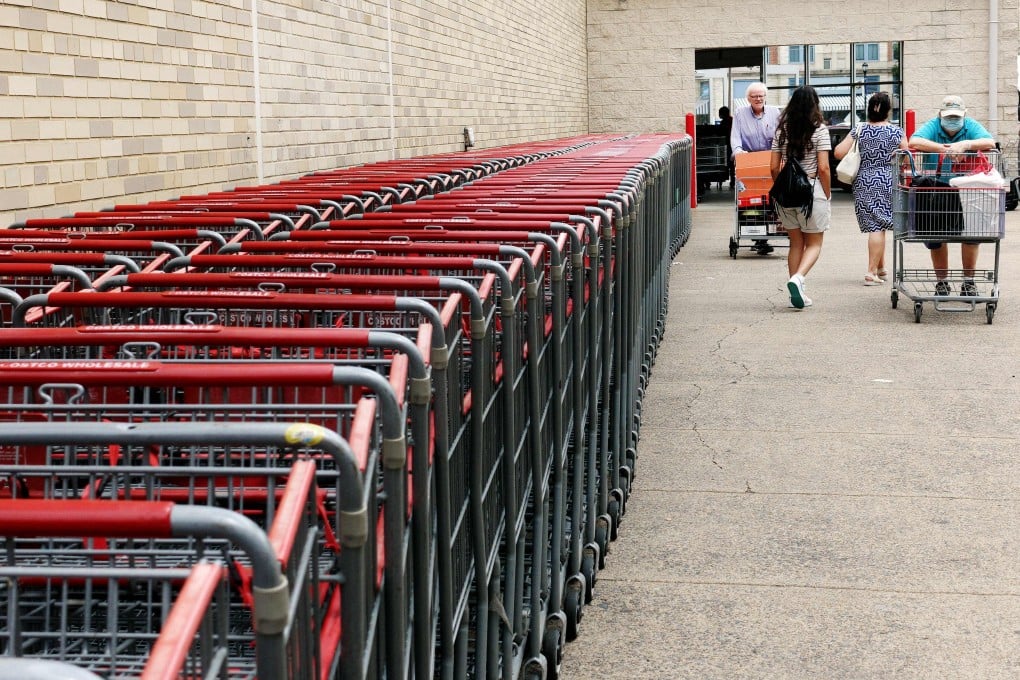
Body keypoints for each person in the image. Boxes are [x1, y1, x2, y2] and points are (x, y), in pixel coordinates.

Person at [908, 95, 995, 296]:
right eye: (949, 116)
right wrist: (943, 149)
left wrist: (966, 145)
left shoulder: (970, 126)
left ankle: (968, 281)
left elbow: (988, 141)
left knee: (971, 235)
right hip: (937, 189)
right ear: (940, 115)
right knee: (936, 236)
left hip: (968, 190)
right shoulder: (933, 126)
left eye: (957, 116)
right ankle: (942, 282)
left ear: (964, 114)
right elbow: (915, 140)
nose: (953, 120)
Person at [833, 91, 909, 286]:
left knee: (877, 225)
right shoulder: (897, 131)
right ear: (888, 111)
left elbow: (838, 153)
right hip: (888, 181)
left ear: (869, 109)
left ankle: (880, 268)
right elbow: (907, 158)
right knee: (879, 226)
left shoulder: (859, 130)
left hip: (864, 180)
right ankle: (870, 272)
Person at [770, 85, 831, 309]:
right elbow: (824, 168)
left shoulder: (781, 131)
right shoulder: (820, 130)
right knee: (814, 244)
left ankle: (796, 292)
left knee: (796, 243)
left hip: (786, 193)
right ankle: (798, 279)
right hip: (811, 191)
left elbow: (773, 168)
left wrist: (781, 187)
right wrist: (827, 192)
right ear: (815, 104)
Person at [732, 82, 782, 254]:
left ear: (765, 97)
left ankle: (766, 235)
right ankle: (758, 237)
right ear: (748, 99)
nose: (758, 99)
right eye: (754, 96)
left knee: (771, 200)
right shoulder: (740, 113)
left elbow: (780, 137)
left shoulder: (775, 113)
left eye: (761, 96)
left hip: (771, 161)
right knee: (751, 201)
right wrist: (739, 153)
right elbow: (736, 139)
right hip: (750, 162)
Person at [718, 105, 734, 189]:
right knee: (732, 166)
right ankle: (733, 181)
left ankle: (721, 180)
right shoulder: (733, 121)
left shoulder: (724, 122)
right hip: (732, 145)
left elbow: (720, 132)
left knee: (725, 164)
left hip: (726, 145)